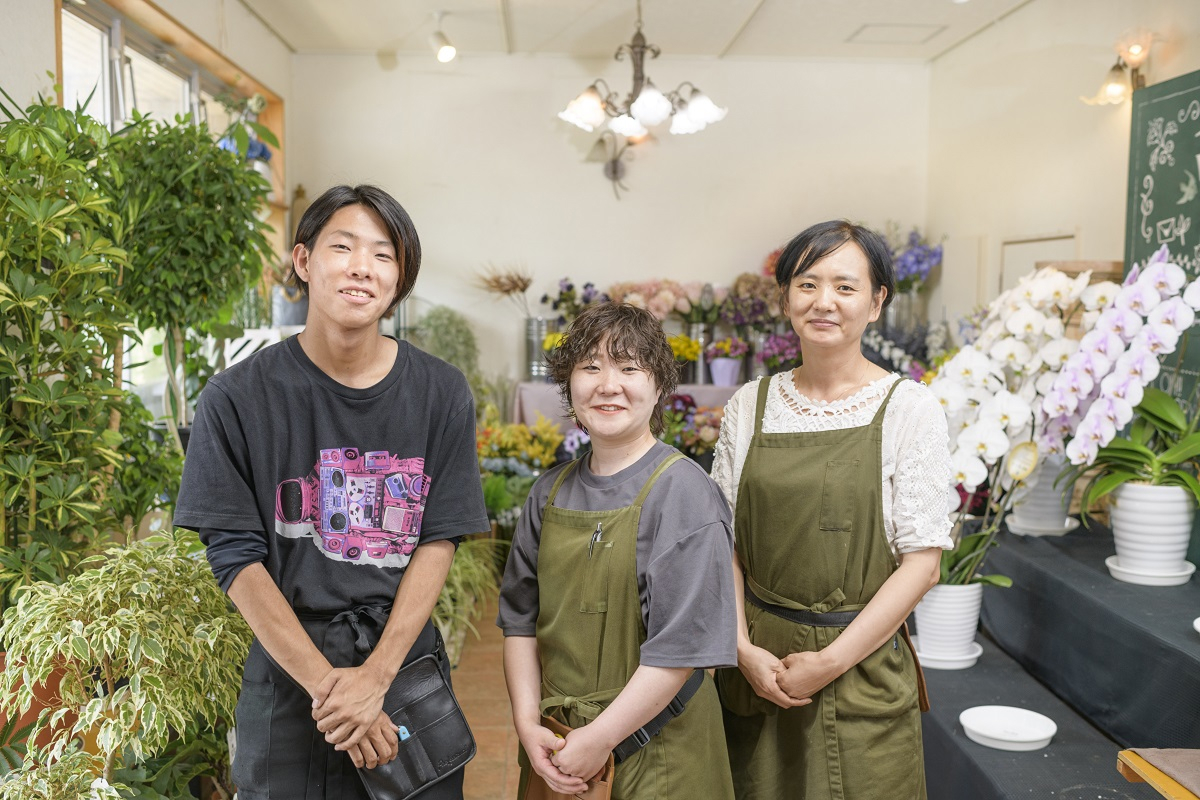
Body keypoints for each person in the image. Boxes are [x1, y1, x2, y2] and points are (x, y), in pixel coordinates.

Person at [175, 184, 489, 799]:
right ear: (303, 261)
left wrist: (376, 679)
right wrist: (332, 690)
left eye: (383, 254)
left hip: (402, 663)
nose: (361, 267)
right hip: (291, 672)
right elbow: (235, 558)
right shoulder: (236, 398)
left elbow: (438, 539)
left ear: (399, 278)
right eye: (342, 247)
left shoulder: (440, 392)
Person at [711, 220, 954, 800]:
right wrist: (741, 649)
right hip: (760, 668)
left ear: (877, 302)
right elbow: (724, 544)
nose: (824, 302)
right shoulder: (750, 405)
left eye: (845, 287)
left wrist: (829, 662)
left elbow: (923, 565)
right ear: (785, 298)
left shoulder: (909, 408)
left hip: (860, 668)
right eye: (807, 284)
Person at [498, 302, 737, 799]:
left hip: (661, 754)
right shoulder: (548, 492)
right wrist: (527, 723)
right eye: (590, 367)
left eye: (629, 368)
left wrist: (600, 739)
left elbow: (680, 650)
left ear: (660, 385)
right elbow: (520, 622)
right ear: (568, 384)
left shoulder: (684, 493)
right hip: (558, 746)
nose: (608, 385)